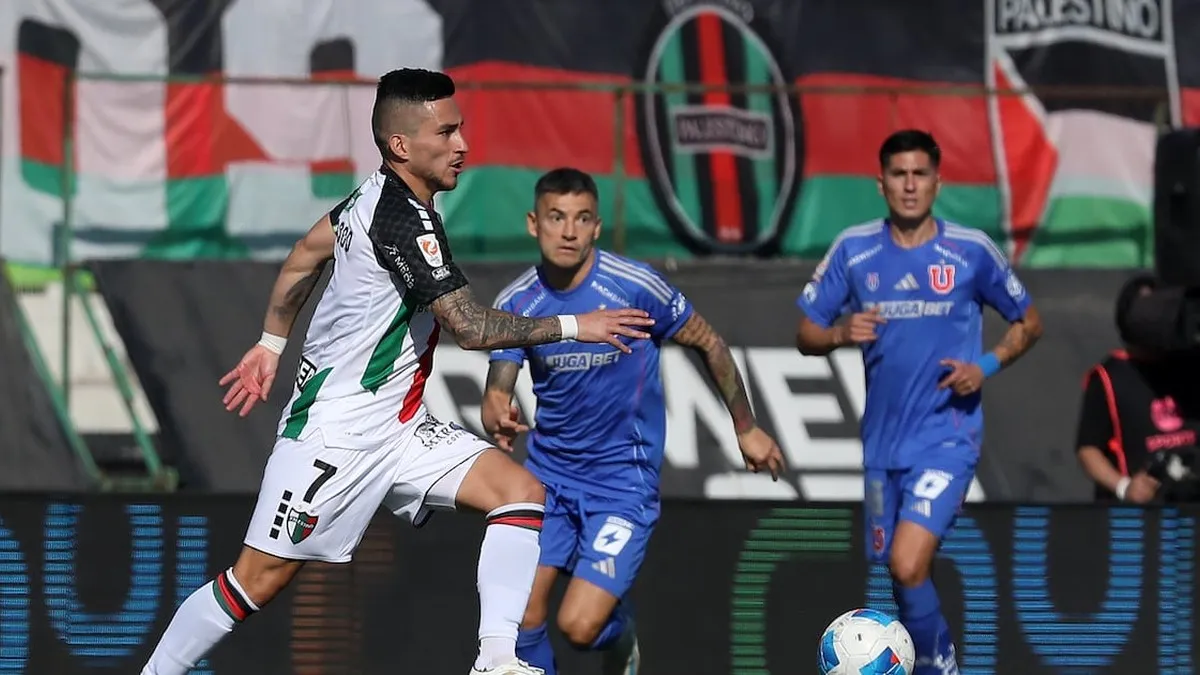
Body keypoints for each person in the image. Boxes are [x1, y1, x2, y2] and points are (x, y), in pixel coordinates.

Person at [139, 69, 656, 675]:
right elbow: (469, 328)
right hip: (335, 433)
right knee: (253, 583)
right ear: (402, 145)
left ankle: (496, 660)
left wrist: (270, 341)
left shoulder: (369, 198)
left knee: (519, 494)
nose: (463, 144)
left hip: (401, 427)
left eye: (461, 128)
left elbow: (307, 253)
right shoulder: (404, 222)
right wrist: (576, 326)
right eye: (448, 131)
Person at [480, 167, 785, 675]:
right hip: (549, 482)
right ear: (534, 223)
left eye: (581, 219)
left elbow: (708, 342)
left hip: (622, 483)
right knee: (521, 620)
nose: (569, 231)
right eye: (556, 218)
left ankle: (622, 638)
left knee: (580, 627)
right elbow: (499, 381)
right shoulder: (519, 301)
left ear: (597, 227)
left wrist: (745, 426)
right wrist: (496, 404)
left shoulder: (634, 286)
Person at [795, 129, 1042, 675]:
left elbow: (1030, 321)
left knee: (907, 562)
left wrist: (987, 365)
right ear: (879, 183)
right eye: (899, 174)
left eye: (920, 174)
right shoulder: (854, 250)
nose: (910, 185)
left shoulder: (970, 250)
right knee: (899, 572)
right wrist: (839, 334)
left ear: (937, 181)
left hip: (947, 436)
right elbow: (807, 333)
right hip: (883, 446)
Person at [1076, 274, 1200, 503]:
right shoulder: (1107, 377)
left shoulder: (1189, 365)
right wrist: (1124, 487)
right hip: (1136, 517)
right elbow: (1088, 449)